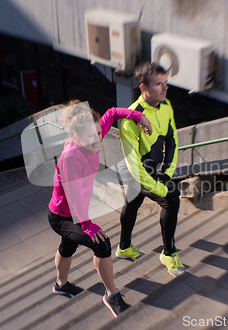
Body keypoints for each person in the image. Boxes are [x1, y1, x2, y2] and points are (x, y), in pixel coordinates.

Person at [48, 100, 152, 317]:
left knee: (68, 246)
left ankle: (60, 284)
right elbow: (74, 195)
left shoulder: (94, 135)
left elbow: (113, 112)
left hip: (73, 214)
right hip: (62, 216)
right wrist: (87, 225)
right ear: (76, 136)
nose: (97, 139)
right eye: (89, 136)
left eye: (98, 132)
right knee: (102, 244)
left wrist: (138, 117)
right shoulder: (70, 157)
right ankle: (112, 295)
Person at [116, 62, 185, 277]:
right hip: (137, 171)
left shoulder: (166, 106)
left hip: (156, 171)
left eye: (166, 83)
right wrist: (159, 186)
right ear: (144, 87)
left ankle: (124, 247)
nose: (165, 88)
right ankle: (168, 252)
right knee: (171, 199)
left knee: (133, 202)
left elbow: (172, 140)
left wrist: (167, 174)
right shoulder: (130, 118)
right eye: (159, 84)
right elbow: (134, 165)